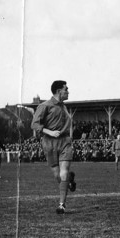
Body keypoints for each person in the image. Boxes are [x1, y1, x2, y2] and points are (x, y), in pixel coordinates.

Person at [31, 80, 77, 214]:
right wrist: (49, 131)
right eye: (66, 89)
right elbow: (34, 124)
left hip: (64, 142)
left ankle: (62, 205)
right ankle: (69, 181)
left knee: (63, 172)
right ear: (58, 91)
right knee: (58, 175)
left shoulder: (64, 107)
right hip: (49, 143)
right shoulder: (44, 105)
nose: (68, 91)